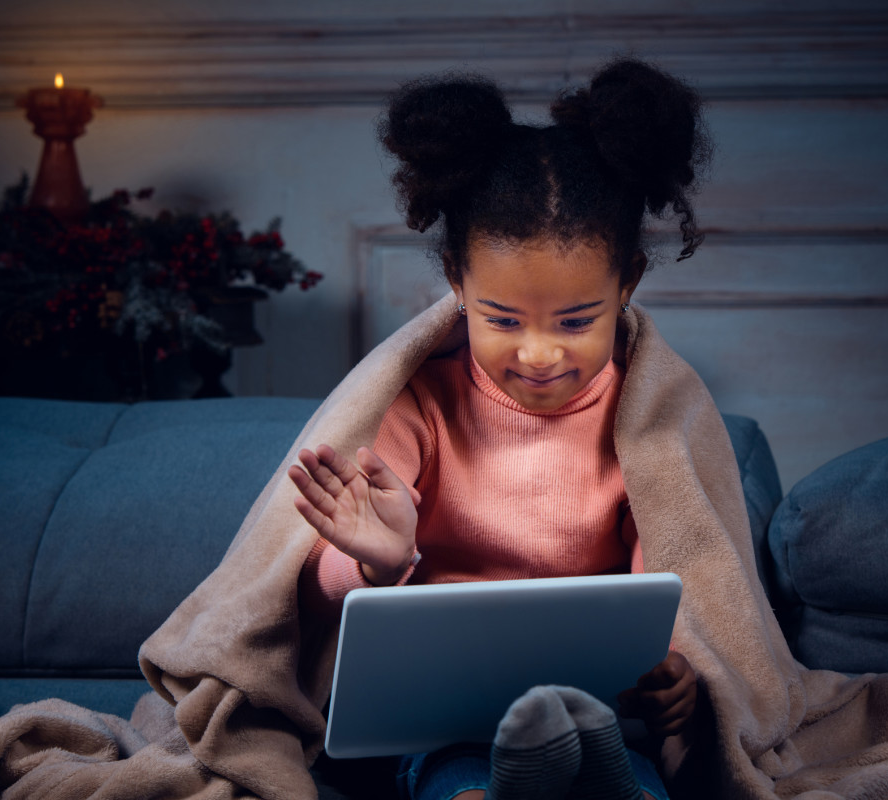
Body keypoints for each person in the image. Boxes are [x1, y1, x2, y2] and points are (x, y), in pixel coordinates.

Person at [288, 57, 711, 800]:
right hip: (441, 718)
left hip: (601, 711)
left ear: (628, 284)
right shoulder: (419, 407)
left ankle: (606, 778)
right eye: (503, 320)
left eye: (578, 322)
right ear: (456, 282)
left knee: (633, 774)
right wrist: (375, 563)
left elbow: (681, 584)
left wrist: (678, 671)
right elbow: (313, 594)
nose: (540, 354)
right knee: (454, 775)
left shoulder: (649, 424)